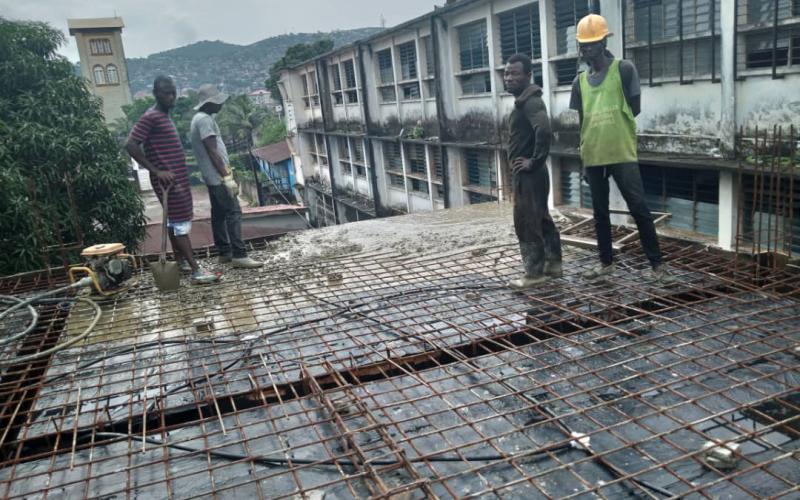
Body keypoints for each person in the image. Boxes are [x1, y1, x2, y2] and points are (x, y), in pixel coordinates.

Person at [569, 14, 675, 285]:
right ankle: (605, 264)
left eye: (593, 43)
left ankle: (657, 267)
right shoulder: (579, 82)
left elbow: (634, 108)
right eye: (584, 44)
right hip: (593, 155)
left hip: (621, 153)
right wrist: (583, 160)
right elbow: (582, 123)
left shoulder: (624, 69)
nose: (588, 49)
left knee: (639, 209)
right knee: (600, 213)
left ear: (604, 40)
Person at [125, 75, 220, 284]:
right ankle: (196, 270)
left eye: (173, 92)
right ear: (156, 94)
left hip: (177, 180)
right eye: (166, 93)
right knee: (180, 224)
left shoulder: (164, 115)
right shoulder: (150, 116)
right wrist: (157, 171)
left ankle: (181, 262)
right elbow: (131, 145)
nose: (171, 97)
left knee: (173, 222)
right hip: (168, 182)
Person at [503, 53, 563, 289]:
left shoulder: (531, 101)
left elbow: (545, 131)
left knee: (526, 221)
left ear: (528, 75)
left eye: (514, 73)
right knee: (541, 218)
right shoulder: (525, 100)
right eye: (506, 73)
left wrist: (534, 161)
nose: (508, 77)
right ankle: (553, 264)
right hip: (531, 174)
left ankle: (534, 274)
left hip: (529, 175)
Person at [190, 84, 262, 268]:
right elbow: (212, 150)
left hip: (211, 176)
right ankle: (239, 254)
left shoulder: (198, 118)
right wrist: (226, 177)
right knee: (234, 212)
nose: (220, 105)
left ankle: (224, 252)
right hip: (217, 176)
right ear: (210, 103)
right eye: (217, 102)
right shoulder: (205, 120)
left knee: (219, 214)